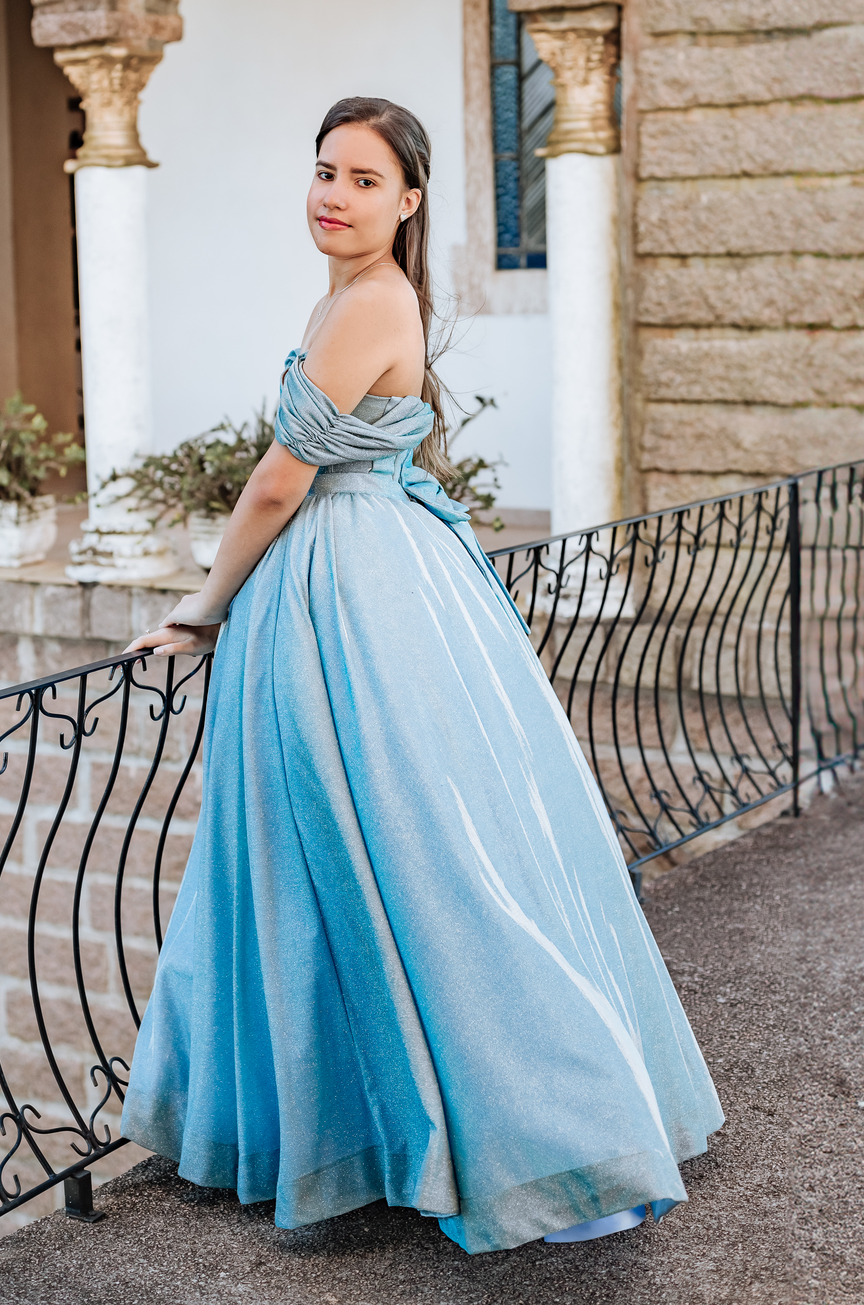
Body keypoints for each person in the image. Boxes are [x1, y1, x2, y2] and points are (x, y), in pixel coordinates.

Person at [121, 96, 723, 1252]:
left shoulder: (372, 300)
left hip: (351, 586)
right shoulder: (352, 294)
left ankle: (537, 1126)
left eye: (360, 178)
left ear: (408, 201)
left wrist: (201, 609)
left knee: (399, 848)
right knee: (369, 845)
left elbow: (278, 486)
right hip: (374, 573)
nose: (332, 194)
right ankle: (371, 1121)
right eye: (322, 170)